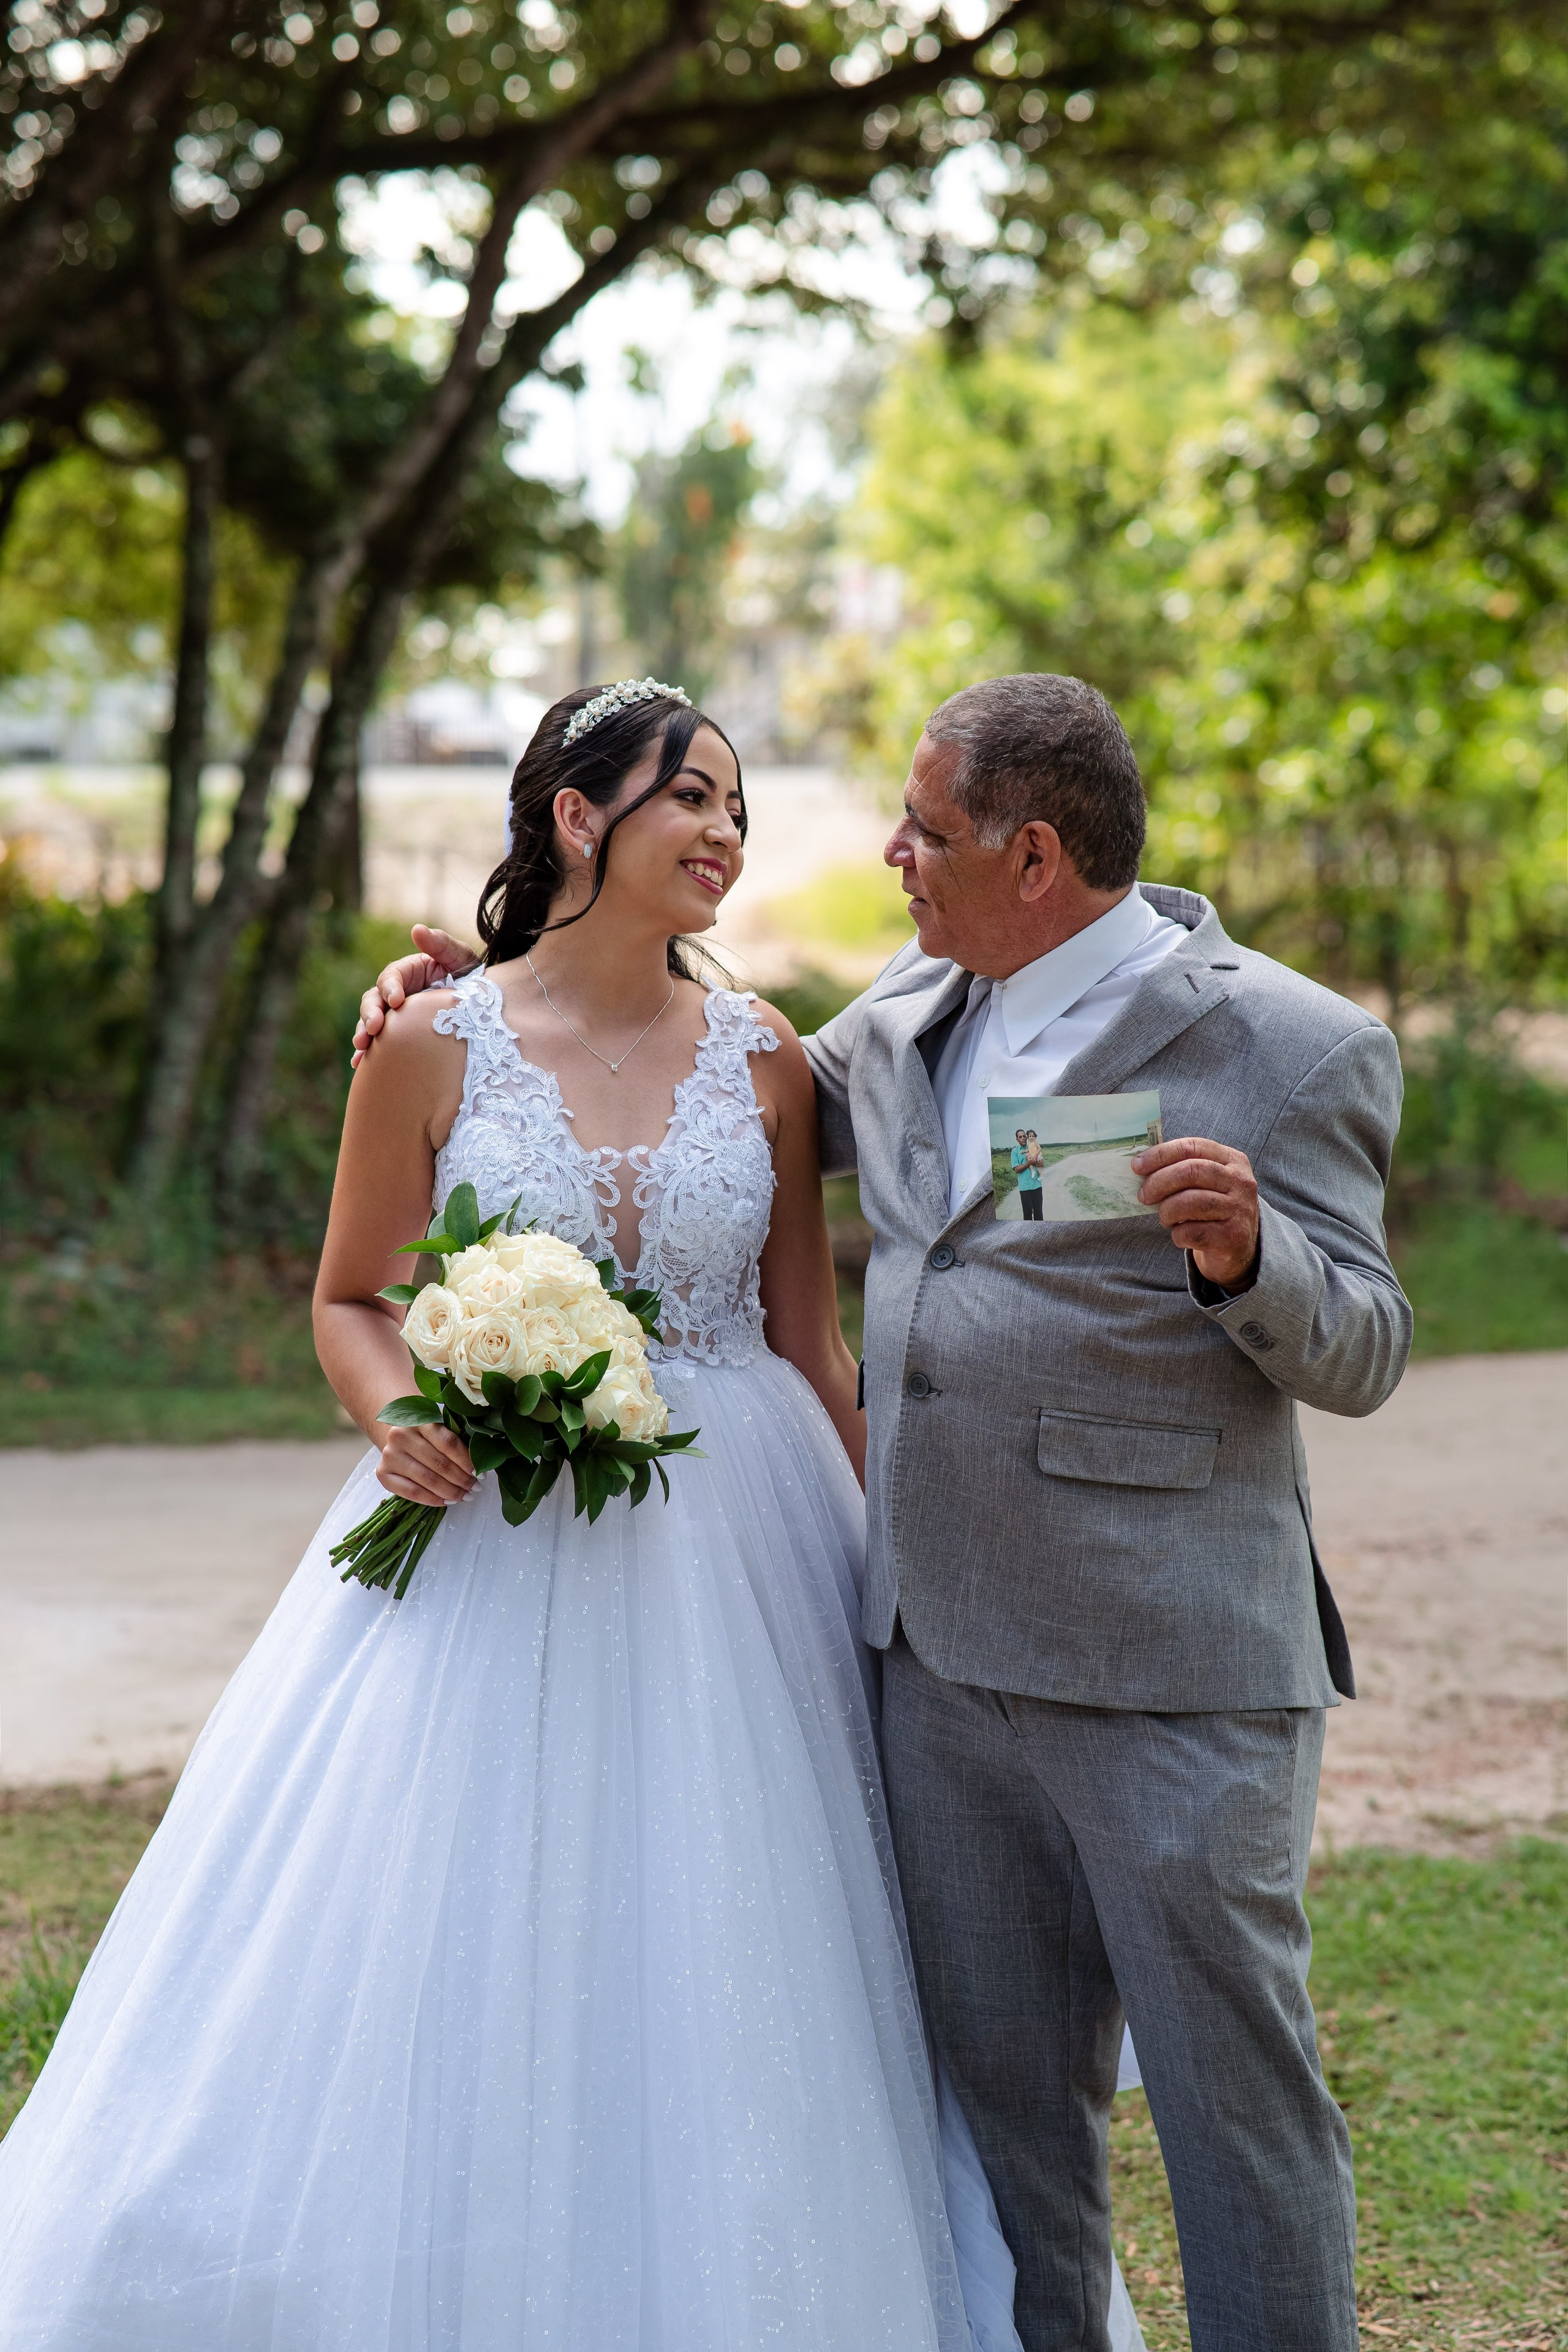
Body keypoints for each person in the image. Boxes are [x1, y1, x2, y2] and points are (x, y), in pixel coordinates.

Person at [1, 681, 1163, 2351]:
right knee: (455, 1919)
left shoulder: (769, 1056)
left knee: (760, 1923)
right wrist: (402, 1411)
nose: (725, 833)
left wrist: (894, 1572)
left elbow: (812, 1338)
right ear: (574, 816)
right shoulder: (425, 1045)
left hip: (743, 1545)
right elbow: (351, 1296)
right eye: (691, 796)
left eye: (739, 808)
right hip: (489, 1542)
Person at [358, 671, 1411, 2352]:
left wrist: (1251, 1260)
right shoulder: (913, 1015)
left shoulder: (1285, 1045)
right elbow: (679, 1089)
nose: (891, 855)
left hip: (1171, 1666)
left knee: (1238, 2111)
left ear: (1035, 854)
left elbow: (1367, 1345)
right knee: (1008, 2120)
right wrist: (453, 1000)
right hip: (930, 1661)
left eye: (923, 830)